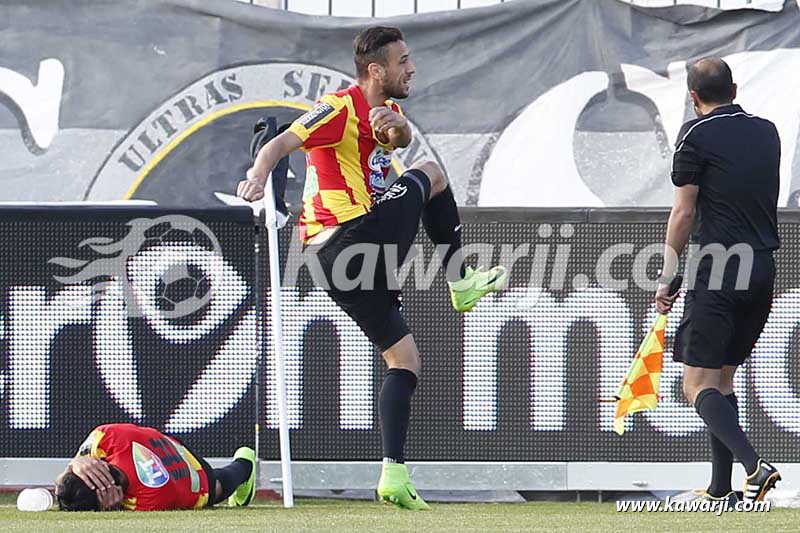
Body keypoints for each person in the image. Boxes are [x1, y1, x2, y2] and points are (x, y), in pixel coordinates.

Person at [237, 26, 506, 510]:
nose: (412, 68)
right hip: (343, 241)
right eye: (403, 61)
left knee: (405, 361)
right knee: (434, 174)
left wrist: (396, 130)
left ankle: (393, 474)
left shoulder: (389, 114)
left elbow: (395, 138)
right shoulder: (338, 108)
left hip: (345, 265)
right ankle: (460, 281)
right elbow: (280, 143)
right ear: (376, 70)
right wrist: (258, 177)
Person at [655, 58, 781, 503]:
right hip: (762, 268)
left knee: (696, 385)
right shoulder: (768, 131)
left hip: (721, 267)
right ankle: (720, 489)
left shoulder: (695, 135)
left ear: (693, 97)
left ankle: (755, 467)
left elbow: (684, 212)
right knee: (723, 381)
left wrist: (667, 277)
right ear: (734, 87)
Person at [54, 423, 256, 511]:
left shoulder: (149, 499)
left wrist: (110, 510)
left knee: (219, 486)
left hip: (196, 475)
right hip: (169, 447)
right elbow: (61, 484)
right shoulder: (105, 436)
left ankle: (245, 464)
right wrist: (76, 461)